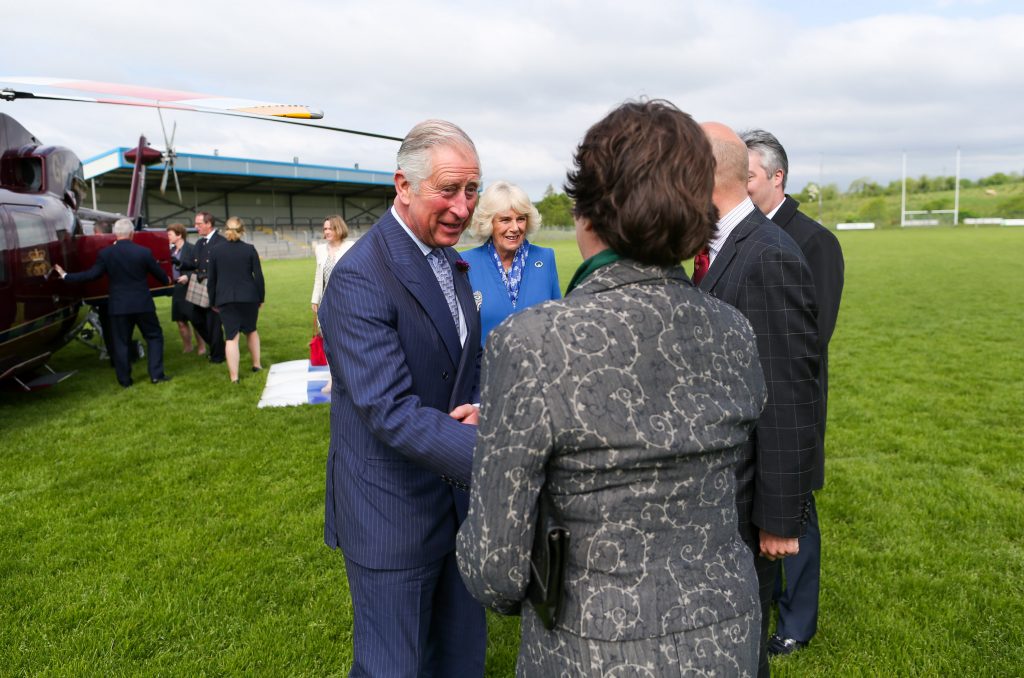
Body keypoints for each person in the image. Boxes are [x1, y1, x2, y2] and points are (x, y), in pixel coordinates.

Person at [456, 100, 768, 676]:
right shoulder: (734, 331)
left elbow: (494, 570)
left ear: (589, 215)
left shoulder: (532, 344)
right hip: (729, 639)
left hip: (593, 649)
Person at [318, 119, 486, 676]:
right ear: (403, 185)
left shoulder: (449, 259)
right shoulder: (361, 276)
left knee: (459, 659)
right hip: (391, 513)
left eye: (471, 190)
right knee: (395, 664)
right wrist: (495, 452)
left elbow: (467, 366)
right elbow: (388, 411)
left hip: (457, 509)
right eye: (448, 190)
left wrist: (487, 406)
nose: (463, 208)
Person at [696, 122, 821, 677]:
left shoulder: (766, 256)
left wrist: (779, 518)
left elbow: (790, 398)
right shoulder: (722, 245)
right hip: (724, 492)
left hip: (750, 503)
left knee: (741, 646)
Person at [741, 128, 845, 656]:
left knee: (795, 509)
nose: (741, 185)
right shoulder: (741, 238)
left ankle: (797, 622)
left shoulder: (814, 241)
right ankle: (765, 600)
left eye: (750, 176)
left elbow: (812, 335)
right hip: (745, 405)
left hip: (788, 403)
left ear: (777, 177)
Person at [55, 217, 171, 388]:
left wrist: (66, 276)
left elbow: (91, 275)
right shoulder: (144, 252)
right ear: (132, 234)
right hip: (142, 304)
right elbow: (159, 275)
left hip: (118, 306)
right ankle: (156, 375)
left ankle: (124, 380)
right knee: (154, 337)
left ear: (115, 234)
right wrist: (167, 280)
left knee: (121, 342)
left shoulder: (106, 254)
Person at [460, 180, 561, 345]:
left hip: (538, 367)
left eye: (520, 219)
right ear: (489, 222)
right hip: (486, 368)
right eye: (505, 220)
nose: (515, 227)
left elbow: (557, 321)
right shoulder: (465, 263)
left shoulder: (545, 258)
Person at [207, 217, 265, 383]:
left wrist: (213, 301)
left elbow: (212, 280)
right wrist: (260, 297)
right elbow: (259, 277)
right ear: (243, 230)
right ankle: (257, 365)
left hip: (225, 299)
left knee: (231, 337)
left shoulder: (216, 251)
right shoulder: (249, 249)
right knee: (251, 330)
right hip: (249, 297)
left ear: (226, 230)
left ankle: (234, 377)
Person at [310, 215, 355, 393]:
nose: (326, 232)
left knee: (348, 343)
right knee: (330, 343)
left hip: (347, 302)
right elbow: (318, 275)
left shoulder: (351, 247)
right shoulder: (320, 250)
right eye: (325, 229)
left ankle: (352, 380)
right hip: (326, 303)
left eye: (330, 228)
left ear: (339, 229)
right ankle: (333, 381)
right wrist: (315, 299)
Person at [181, 211, 226, 364]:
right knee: (196, 319)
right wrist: (177, 262)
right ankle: (219, 347)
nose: (196, 227)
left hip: (215, 288)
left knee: (213, 323)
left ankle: (218, 356)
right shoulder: (200, 243)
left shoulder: (221, 242)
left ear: (208, 224)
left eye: (199, 224)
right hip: (200, 288)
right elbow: (193, 263)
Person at [166, 223, 206, 355]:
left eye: (170, 234)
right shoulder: (170, 251)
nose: (168, 237)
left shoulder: (192, 249)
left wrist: (188, 277)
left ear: (179, 235)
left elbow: (200, 269)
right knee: (180, 321)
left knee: (195, 319)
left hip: (191, 287)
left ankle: (202, 346)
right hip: (177, 289)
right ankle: (187, 347)